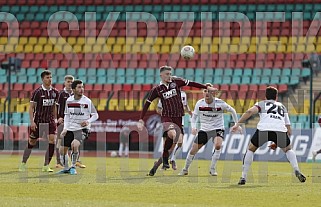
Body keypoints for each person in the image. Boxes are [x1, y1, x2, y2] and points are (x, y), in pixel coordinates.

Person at [138, 65, 217, 176]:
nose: (169, 76)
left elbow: (192, 84)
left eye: (170, 74)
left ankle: (156, 166)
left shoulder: (176, 82)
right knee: (173, 134)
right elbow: (147, 104)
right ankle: (166, 159)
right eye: (167, 74)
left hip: (178, 117)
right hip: (167, 117)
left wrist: (206, 87)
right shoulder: (157, 90)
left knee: (178, 143)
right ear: (161, 75)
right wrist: (141, 119)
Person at [230, 86, 306, 185]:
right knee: (288, 149)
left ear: (265, 96)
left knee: (251, 149)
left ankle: (243, 176)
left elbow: (249, 112)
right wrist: (278, 142)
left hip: (263, 130)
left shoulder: (262, 103)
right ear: (276, 97)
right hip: (280, 130)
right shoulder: (282, 106)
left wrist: (237, 124)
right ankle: (296, 169)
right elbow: (288, 129)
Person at [178, 84, 238, 176]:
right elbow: (194, 117)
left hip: (218, 128)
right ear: (203, 92)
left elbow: (233, 110)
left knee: (218, 145)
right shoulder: (200, 103)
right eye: (205, 91)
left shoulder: (220, 103)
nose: (207, 93)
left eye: (209, 91)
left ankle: (212, 168)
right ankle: (185, 169)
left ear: (213, 93)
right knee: (193, 150)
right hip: (205, 130)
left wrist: (236, 124)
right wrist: (193, 127)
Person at [19, 70, 59, 172]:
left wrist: (55, 119)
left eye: (50, 77)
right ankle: (23, 163)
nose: (50, 79)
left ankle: (46, 165)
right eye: (47, 77)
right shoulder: (37, 92)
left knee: (52, 140)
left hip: (50, 121)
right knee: (32, 142)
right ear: (42, 79)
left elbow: (54, 106)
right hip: (38, 121)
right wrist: (32, 122)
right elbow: (31, 107)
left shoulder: (55, 92)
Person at [57, 80, 98, 175]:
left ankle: (73, 166)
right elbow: (66, 115)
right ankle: (66, 168)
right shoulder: (69, 100)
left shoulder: (87, 101)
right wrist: (65, 128)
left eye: (82, 87)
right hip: (71, 128)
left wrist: (88, 121)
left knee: (74, 145)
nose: (82, 89)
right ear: (73, 89)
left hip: (82, 129)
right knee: (62, 150)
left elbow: (95, 115)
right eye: (79, 87)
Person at [156, 90, 192, 170]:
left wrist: (189, 112)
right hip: (168, 124)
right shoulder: (164, 94)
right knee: (166, 146)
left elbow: (185, 105)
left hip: (179, 123)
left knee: (179, 143)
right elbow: (158, 109)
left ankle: (173, 159)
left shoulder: (183, 94)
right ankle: (163, 164)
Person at [56, 75, 86, 169]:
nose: (70, 83)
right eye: (68, 81)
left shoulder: (76, 95)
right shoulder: (61, 94)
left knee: (76, 141)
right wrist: (58, 117)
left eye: (71, 82)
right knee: (61, 141)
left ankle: (76, 160)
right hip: (63, 121)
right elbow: (56, 107)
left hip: (74, 122)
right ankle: (59, 162)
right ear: (64, 83)